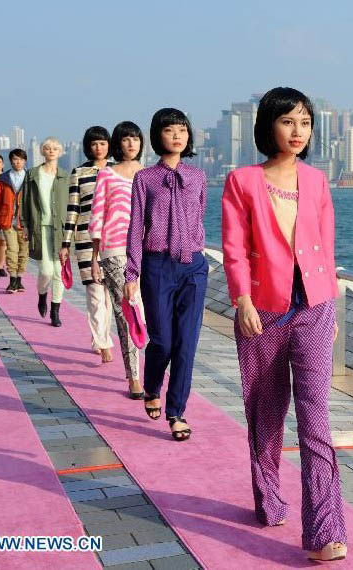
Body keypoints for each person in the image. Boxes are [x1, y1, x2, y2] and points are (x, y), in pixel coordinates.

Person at [221, 87, 346, 562]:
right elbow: (234, 247)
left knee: (316, 420)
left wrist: (330, 306)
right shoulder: (242, 181)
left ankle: (325, 531)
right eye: (289, 121)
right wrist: (243, 300)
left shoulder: (316, 181)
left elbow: (327, 248)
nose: (298, 132)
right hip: (264, 311)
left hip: (314, 309)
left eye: (306, 123)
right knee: (266, 412)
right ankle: (269, 497)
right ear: (268, 125)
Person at [124, 108, 207, 442]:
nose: (177, 135)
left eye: (183, 130)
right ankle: (152, 385)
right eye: (170, 130)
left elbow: (200, 216)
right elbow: (135, 228)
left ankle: (177, 412)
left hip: (194, 267)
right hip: (157, 266)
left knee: (186, 344)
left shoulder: (199, 177)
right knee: (162, 341)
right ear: (157, 135)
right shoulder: (144, 178)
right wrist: (132, 272)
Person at [91, 121, 144, 399]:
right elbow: (97, 216)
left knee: (148, 315)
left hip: (149, 251)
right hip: (115, 250)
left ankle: (151, 372)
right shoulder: (108, 175)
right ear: (117, 143)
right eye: (125, 139)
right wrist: (94, 257)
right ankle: (134, 377)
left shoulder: (149, 174)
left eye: (135, 138)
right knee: (128, 313)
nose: (131, 143)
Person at [61, 127, 115, 360]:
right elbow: (72, 209)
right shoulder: (79, 173)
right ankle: (104, 344)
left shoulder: (116, 170)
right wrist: (66, 243)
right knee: (95, 292)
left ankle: (99, 337)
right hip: (84, 238)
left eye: (102, 143)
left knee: (110, 295)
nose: (98, 148)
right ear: (88, 147)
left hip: (113, 239)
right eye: (94, 144)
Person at [22, 138, 68, 327]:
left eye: (55, 148)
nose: (51, 151)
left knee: (58, 272)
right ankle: (42, 295)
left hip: (60, 229)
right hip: (39, 228)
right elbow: (25, 200)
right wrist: (25, 224)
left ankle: (55, 311)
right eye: (47, 148)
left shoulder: (66, 176)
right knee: (46, 271)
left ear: (60, 152)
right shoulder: (33, 174)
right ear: (42, 151)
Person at [0, 149, 29, 292]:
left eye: (20, 159)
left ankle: (19, 280)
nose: (17, 162)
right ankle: (12, 280)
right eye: (14, 159)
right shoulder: (4, 178)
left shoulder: (30, 177)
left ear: (25, 161)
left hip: (25, 222)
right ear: (10, 161)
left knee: (23, 251)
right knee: (12, 250)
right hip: (8, 220)